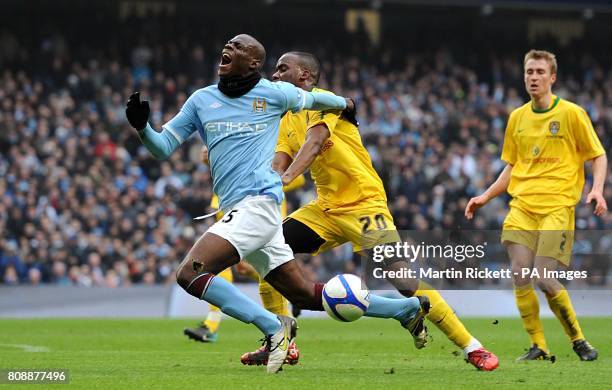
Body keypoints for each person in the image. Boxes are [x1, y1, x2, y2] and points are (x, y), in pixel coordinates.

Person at [126, 34, 428, 373]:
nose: (228, 48)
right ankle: (402, 309)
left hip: (258, 205)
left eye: (238, 47)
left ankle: (273, 329)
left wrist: (345, 102)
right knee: (302, 294)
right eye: (228, 45)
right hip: (245, 211)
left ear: (254, 63)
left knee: (190, 273)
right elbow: (162, 146)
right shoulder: (201, 100)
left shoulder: (274, 94)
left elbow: (317, 98)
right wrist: (142, 128)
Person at [240, 51, 499, 371]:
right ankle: (280, 342)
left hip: (364, 204)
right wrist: (260, 185)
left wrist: (287, 178)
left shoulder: (323, 100)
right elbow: (280, 162)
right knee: (267, 246)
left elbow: (316, 141)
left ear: (305, 76)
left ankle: (473, 347)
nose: (275, 75)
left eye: (283, 69)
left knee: (403, 280)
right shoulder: (286, 117)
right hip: (325, 210)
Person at [465, 49, 606, 362]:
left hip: (557, 207)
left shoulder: (571, 114)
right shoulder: (517, 118)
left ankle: (578, 340)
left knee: (543, 277)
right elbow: (512, 166)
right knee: (519, 273)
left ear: (552, 77)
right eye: (529, 72)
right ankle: (539, 346)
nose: (534, 77)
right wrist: (485, 196)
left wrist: (596, 190)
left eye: (540, 72)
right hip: (522, 207)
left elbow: (597, 155)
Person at [183, 145, 303, 366]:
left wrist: (274, 180)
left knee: (217, 267)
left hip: (260, 209)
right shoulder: (232, 124)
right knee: (244, 268)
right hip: (231, 199)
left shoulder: (270, 130)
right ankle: (291, 296)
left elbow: (297, 177)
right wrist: (211, 158)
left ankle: (214, 325)